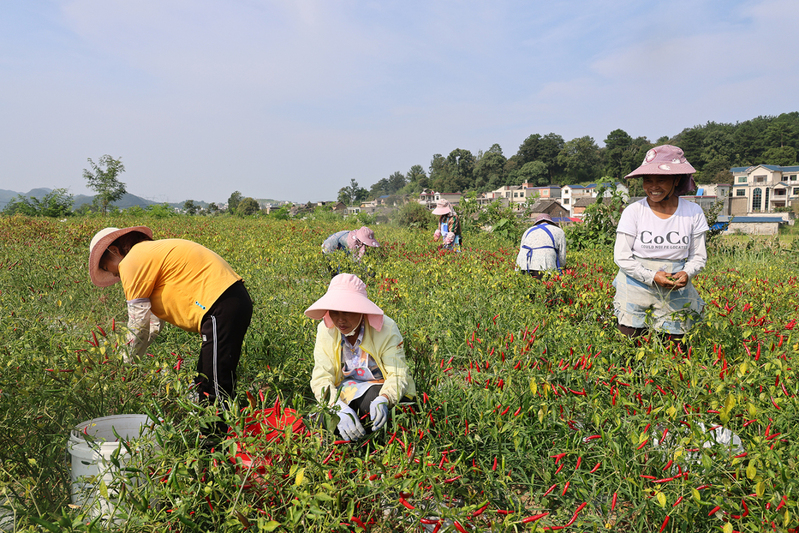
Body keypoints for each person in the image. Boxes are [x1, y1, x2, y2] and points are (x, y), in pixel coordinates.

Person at [88, 226, 253, 433]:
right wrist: (134, 359)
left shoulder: (132, 260)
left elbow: (138, 322)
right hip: (227, 303)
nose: (114, 274)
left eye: (107, 266)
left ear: (114, 250)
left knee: (215, 387)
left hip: (220, 305)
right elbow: (151, 325)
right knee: (205, 379)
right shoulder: (148, 257)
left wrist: (125, 364)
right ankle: (213, 440)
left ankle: (216, 450)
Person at [613, 145, 709, 341]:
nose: (653, 186)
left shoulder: (693, 212)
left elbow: (698, 256)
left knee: (674, 350)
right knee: (630, 349)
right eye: (648, 180)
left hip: (675, 291)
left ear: (676, 180)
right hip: (635, 288)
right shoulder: (634, 211)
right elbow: (621, 256)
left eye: (661, 180)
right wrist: (652, 276)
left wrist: (687, 273)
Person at [305, 273, 416, 441]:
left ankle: (364, 441)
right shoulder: (326, 330)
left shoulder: (386, 329)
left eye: (347, 312)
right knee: (322, 417)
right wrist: (335, 407)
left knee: (372, 406)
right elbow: (322, 377)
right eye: (334, 312)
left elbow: (398, 375)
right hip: (345, 391)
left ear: (361, 310)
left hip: (379, 389)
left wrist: (384, 399)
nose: (340, 319)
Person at [515, 213, 567, 279]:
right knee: (545, 286)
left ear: (537, 223)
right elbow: (562, 258)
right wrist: (561, 268)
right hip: (544, 263)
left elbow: (521, 249)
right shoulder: (559, 231)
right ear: (550, 222)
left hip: (523, 263)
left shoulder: (527, 231)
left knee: (526, 287)